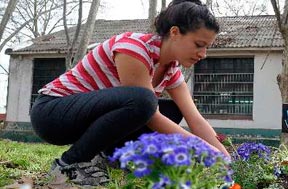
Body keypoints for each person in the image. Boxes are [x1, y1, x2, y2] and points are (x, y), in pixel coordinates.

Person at [30, 0, 229, 186]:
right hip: (52, 114)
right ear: (175, 32)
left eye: (207, 48)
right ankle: (68, 164)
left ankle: (108, 157)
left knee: (174, 109)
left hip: (87, 120)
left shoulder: (171, 71)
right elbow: (151, 116)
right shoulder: (133, 48)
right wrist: (204, 150)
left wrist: (227, 160)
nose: (203, 54)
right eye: (199, 45)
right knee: (144, 101)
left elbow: (196, 120)